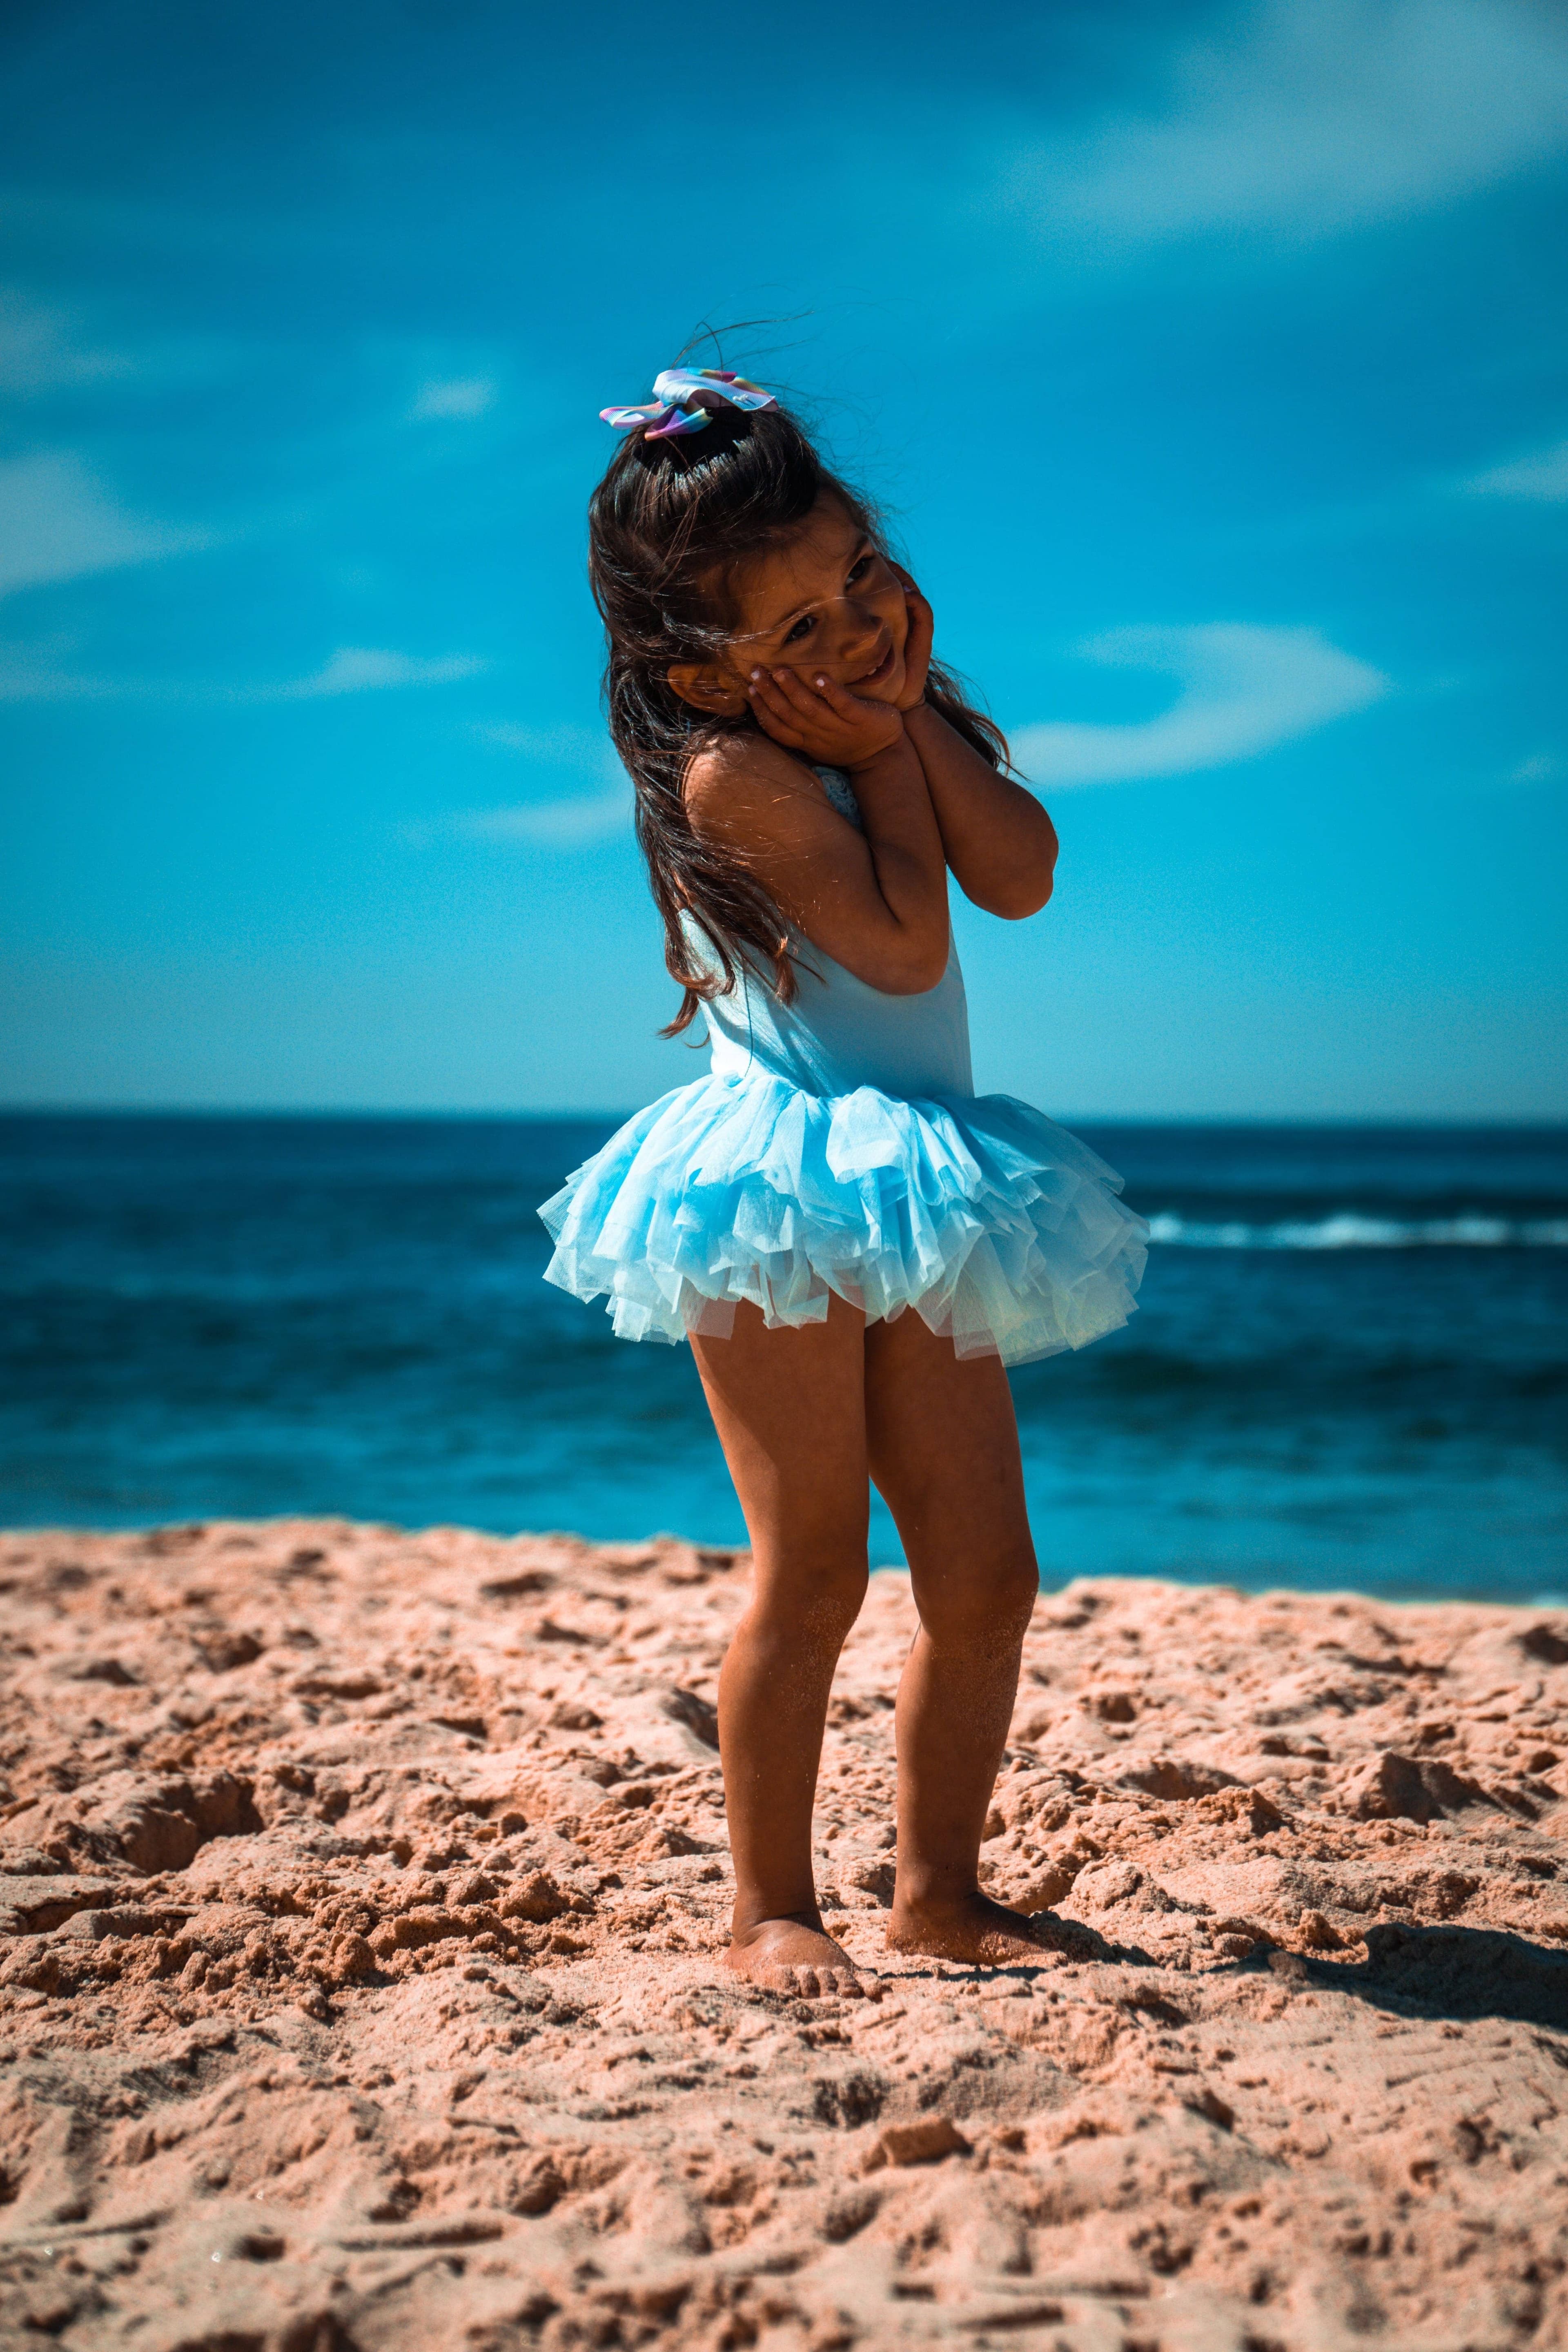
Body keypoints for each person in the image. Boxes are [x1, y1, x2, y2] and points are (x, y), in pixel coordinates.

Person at [541, 364, 1148, 1994]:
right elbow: (899, 938)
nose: (854, 634)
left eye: (861, 580)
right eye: (799, 630)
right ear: (698, 668)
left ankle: (939, 1894)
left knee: (989, 1574)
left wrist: (913, 724)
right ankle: (767, 1908)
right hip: (774, 1194)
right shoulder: (736, 780)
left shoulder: (897, 706)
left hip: (928, 1189)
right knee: (811, 1562)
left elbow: (1016, 878)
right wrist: (886, 754)